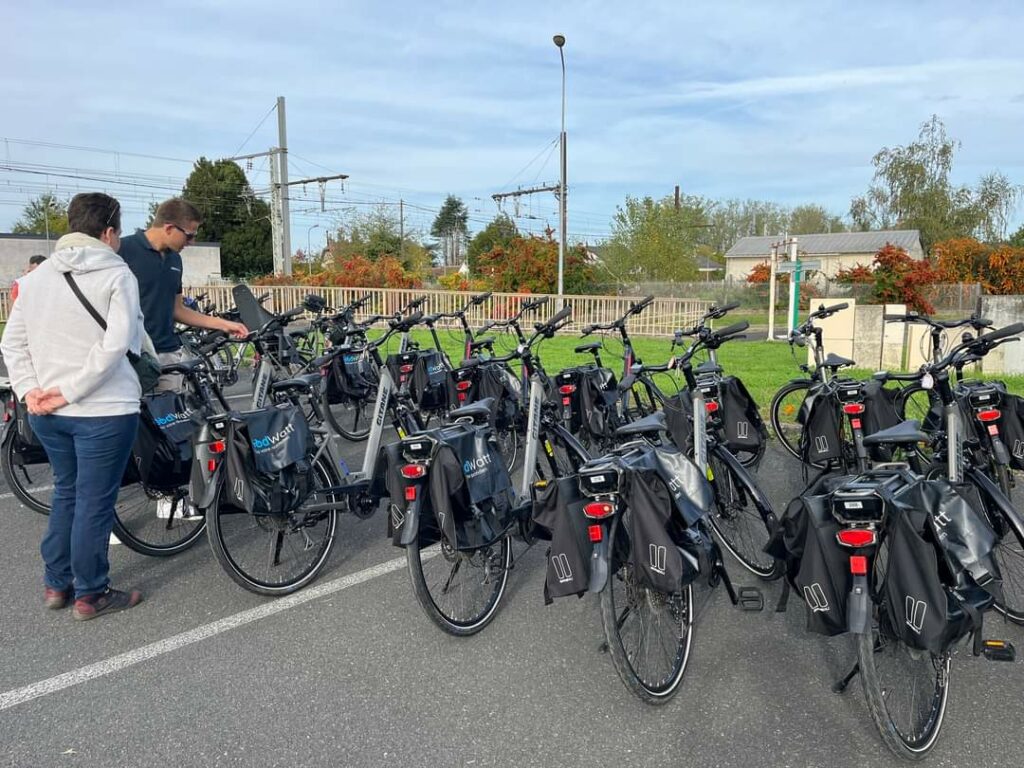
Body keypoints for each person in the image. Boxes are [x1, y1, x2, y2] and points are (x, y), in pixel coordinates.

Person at [1, 193, 146, 620]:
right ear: (109, 231)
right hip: (103, 409)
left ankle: (56, 584)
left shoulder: (34, 279)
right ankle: (91, 592)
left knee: (67, 492)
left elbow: (12, 342)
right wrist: (73, 391)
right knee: (95, 501)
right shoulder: (118, 274)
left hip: (47, 412)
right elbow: (116, 344)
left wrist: (31, 391)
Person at [118, 198, 247, 392]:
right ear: (169, 228)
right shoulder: (123, 250)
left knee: (173, 418)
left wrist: (225, 325)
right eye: (189, 236)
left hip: (168, 354)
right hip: (132, 358)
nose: (192, 242)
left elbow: (177, 310)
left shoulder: (175, 260)